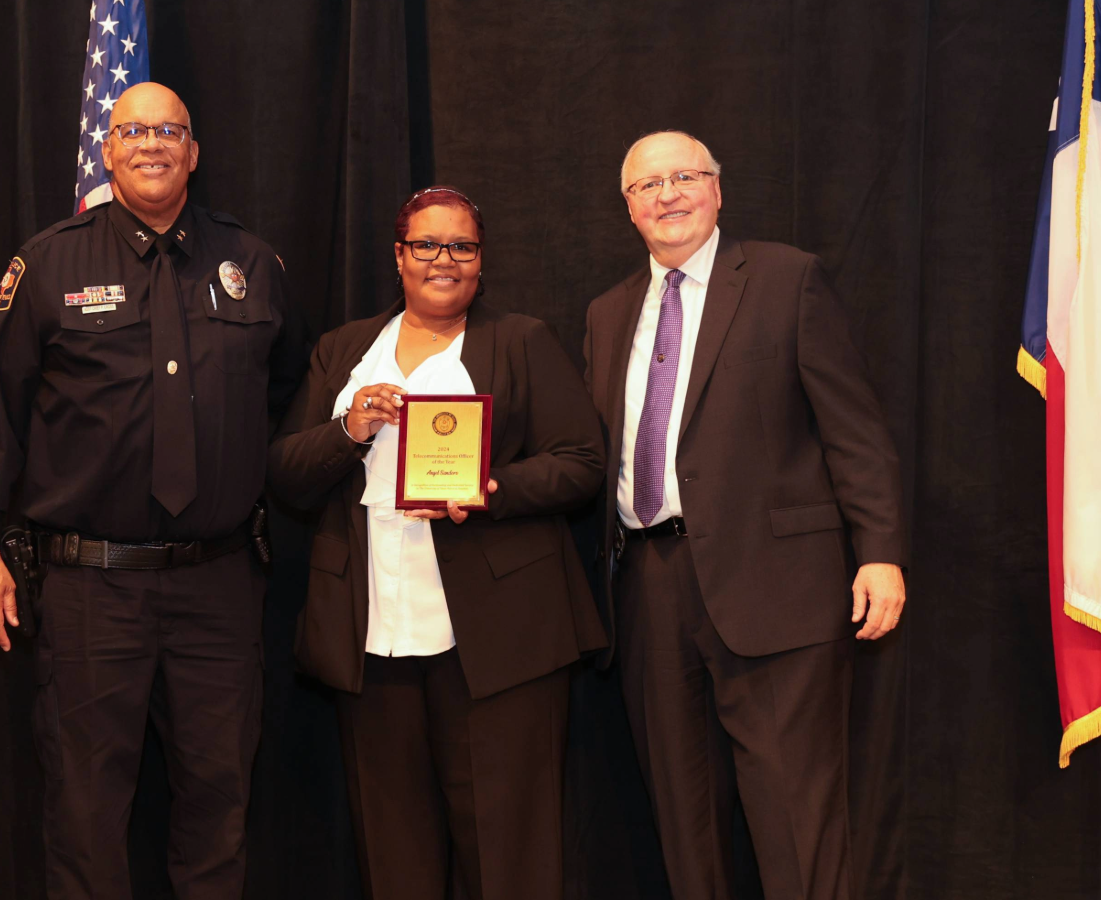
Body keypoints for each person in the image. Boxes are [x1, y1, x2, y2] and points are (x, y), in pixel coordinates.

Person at [0, 82, 303, 899]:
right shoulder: (46, 262)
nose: (152, 144)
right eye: (133, 129)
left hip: (218, 582)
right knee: (85, 812)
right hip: (88, 586)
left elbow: (287, 391)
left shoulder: (251, 261)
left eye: (170, 130)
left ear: (195, 152)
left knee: (220, 802)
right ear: (106, 150)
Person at [583, 130, 908, 899]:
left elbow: (854, 431)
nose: (668, 195)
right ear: (627, 208)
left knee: (797, 813)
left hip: (779, 586)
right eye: (647, 186)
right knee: (682, 819)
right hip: (649, 587)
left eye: (685, 177)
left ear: (718, 189)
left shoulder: (786, 279)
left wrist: (881, 552)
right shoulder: (606, 313)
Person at [268, 186, 606, 900]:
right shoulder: (344, 350)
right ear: (399, 256)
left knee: (508, 857)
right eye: (426, 245)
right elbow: (287, 475)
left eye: (462, 247)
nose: (443, 260)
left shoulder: (521, 340)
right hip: (374, 640)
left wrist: (494, 492)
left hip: (497, 644)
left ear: (482, 262)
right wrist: (347, 431)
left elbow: (583, 461)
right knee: (396, 861)